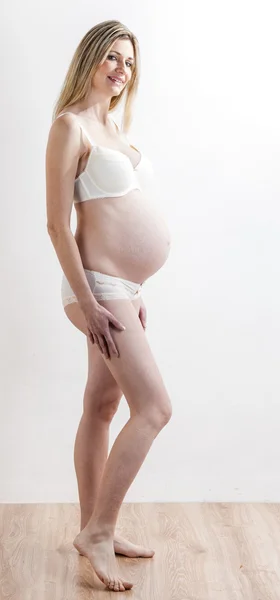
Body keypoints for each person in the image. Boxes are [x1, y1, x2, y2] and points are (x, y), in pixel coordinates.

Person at [45, 19, 172, 593]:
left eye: (129, 62)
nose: (121, 70)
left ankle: (91, 526)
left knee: (101, 405)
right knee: (155, 408)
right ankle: (101, 530)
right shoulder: (70, 127)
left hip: (123, 290)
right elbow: (57, 225)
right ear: (91, 59)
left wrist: (135, 289)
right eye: (113, 58)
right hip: (97, 288)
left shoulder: (116, 129)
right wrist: (95, 302)